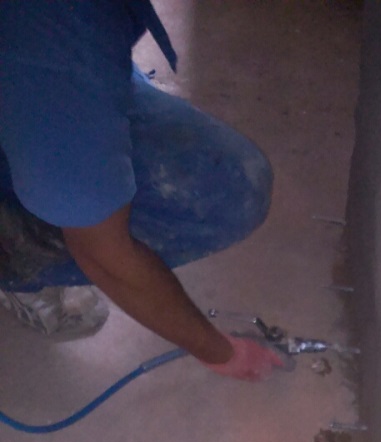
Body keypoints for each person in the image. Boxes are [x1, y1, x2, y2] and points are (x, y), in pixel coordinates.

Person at [0, 0, 286, 381]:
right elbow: (104, 255)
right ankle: (16, 261)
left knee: (233, 181)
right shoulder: (55, 43)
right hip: (45, 60)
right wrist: (219, 351)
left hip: (48, 60)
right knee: (95, 209)